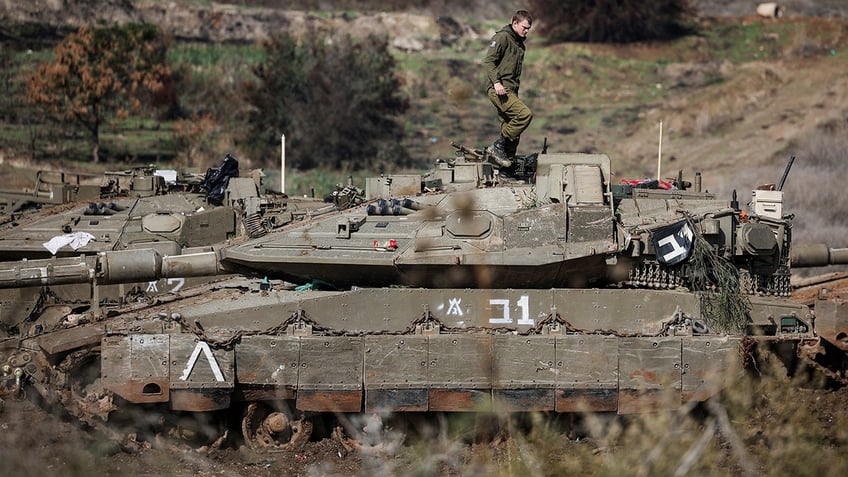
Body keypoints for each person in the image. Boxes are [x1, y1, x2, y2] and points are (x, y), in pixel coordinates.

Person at [483, 10, 534, 168]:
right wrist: (497, 83)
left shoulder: (519, 43)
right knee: (524, 115)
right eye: (524, 27)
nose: (526, 31)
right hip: (498, 89)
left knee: (512, 129)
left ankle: (506, 165)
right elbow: (489, 61)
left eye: (528, 29)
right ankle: (497, 146)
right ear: (515, 23)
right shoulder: (503, 37)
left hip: (510, 90)